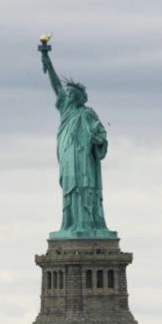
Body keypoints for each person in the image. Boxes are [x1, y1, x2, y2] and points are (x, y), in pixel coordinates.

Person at [41, 50, 114, 237]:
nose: (69, 95)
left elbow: (101, 133)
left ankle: (88, 224)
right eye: (69, 93)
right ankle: (71, 224)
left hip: (84, 159)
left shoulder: (88, 114)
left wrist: (97, 141)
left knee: (84, 188)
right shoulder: (65, 109)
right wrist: (48, 63)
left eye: (72, 93)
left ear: (80, 97)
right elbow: (57, 86)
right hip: (68, 155)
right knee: (70, 189)